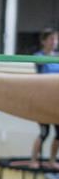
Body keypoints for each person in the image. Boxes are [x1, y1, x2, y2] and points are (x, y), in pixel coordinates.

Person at [29, 28, 59, 169]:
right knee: (44, 133)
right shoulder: (39, 56)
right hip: (43, 101)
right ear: (44, 41)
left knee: (58, 134)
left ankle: (52, 161)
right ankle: (33, 159)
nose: (54, 42)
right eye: (51, 39)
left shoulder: (57, 57)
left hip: (56, 102)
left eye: (56, 39)